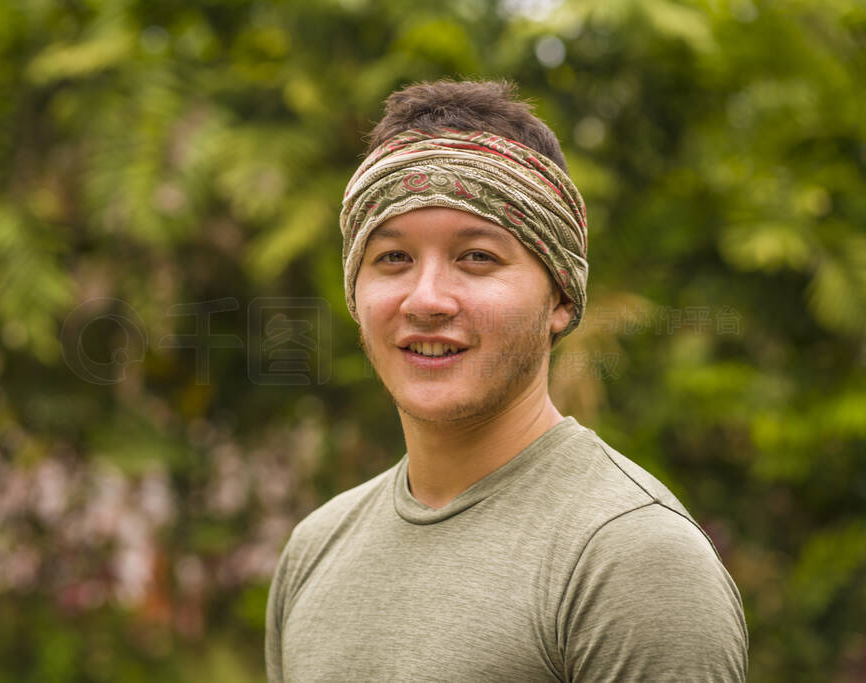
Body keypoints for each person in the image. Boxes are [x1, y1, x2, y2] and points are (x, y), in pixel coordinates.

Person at [265, 80, 748, 682]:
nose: (427, 299)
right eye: (392, 258)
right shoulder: (315, 550)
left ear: (561, 298)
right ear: (355, 293)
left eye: (477, 257)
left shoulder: (629, 559)